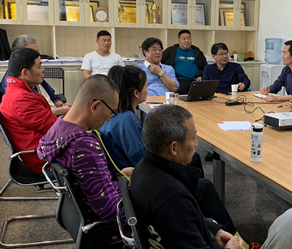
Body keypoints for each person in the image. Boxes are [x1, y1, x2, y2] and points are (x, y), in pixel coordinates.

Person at [130, 105, 256, 249]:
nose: (196, 143)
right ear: (174, 148)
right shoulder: (172, 196)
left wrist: (214, 229)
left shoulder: (144, 170)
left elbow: (181, 222)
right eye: (193, 138)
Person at [99, 66, 237, 233]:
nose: (147, 88)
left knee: (193, 161)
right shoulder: (126, 120)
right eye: (146, 85)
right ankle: (227, 233)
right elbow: (143, 158)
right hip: (146, 184)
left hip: (137, 180)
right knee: (203, 184)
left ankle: (194, 211)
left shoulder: (116, 117)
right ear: (136, 93)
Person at [37, 75, 131, 244]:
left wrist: (119, 178)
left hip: (85, 216)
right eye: (111, 111)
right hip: (110, 229)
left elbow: (93, 181)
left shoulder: (59, 126)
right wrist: (140, 192)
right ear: (95, 106)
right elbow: (111, 210)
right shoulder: (83, 146)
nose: (109, 118)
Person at [0, 48, 58, 173]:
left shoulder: (17, 92)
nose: (43, 69)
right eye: (39, 66)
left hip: (45, 150)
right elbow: (56, 129)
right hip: (47, 160)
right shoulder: (21, 99)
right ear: (25, 73)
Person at [0, 35, 71, 116]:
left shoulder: (34, 77)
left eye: (37, 52)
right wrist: (61, 111)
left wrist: (61, 105)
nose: (37, 55)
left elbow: (51, 94)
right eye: (32, 52)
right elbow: (38, 115)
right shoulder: (16, 91)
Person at [161, 29, 208, 94]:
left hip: (195, 81)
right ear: (178, 40)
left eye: (188, 38)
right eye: (184, 39)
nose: (186, 41)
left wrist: (201, 76)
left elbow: (205, 67)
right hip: (178, 81)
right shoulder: (170, 51)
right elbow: (161, 63)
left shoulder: (198, 52)